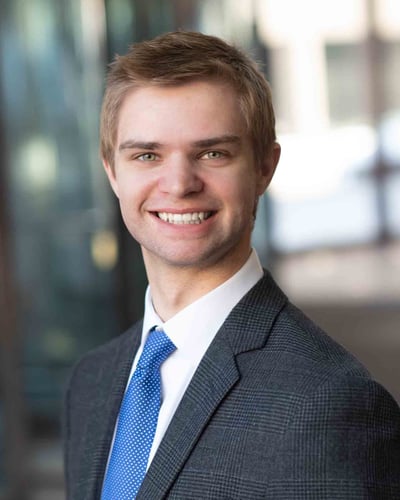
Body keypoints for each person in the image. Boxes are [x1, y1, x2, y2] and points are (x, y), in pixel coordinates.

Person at [63, 31, 400, 499]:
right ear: (112, 171)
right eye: (147, 155)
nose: (179, 184)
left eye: (212, 153)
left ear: (264, 167)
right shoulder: (91, 382)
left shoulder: (331, 404)